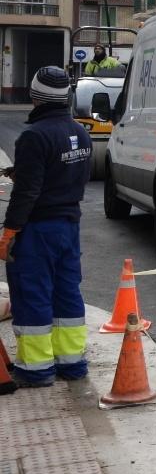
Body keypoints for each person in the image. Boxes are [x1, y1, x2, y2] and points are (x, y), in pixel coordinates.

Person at [0, 67, 94, 387]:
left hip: (38, 229)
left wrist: (10, 231)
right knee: (67, 292)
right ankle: (72, 362)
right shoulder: (80, 132)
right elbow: (73, 175)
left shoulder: (34, 136)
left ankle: (36, 369)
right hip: (69, 227)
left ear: (35, 96)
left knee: (32, 293)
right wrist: (27, 172)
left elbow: (27, 193)